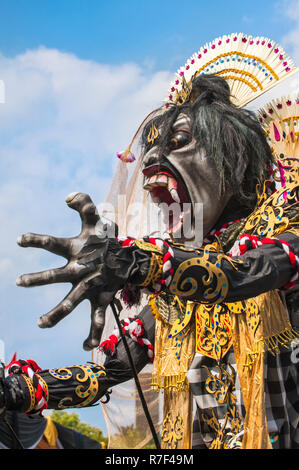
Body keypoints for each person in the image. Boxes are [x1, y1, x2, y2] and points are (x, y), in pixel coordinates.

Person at [0, 33, 298, 449]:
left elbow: (244, 273)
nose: (155, 158)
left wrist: (136, 263)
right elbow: (105, 373)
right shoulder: (175, 295)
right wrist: (20, 389)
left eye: (178, 143)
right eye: (153, 148)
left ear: (236, 157)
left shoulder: (286, 226)